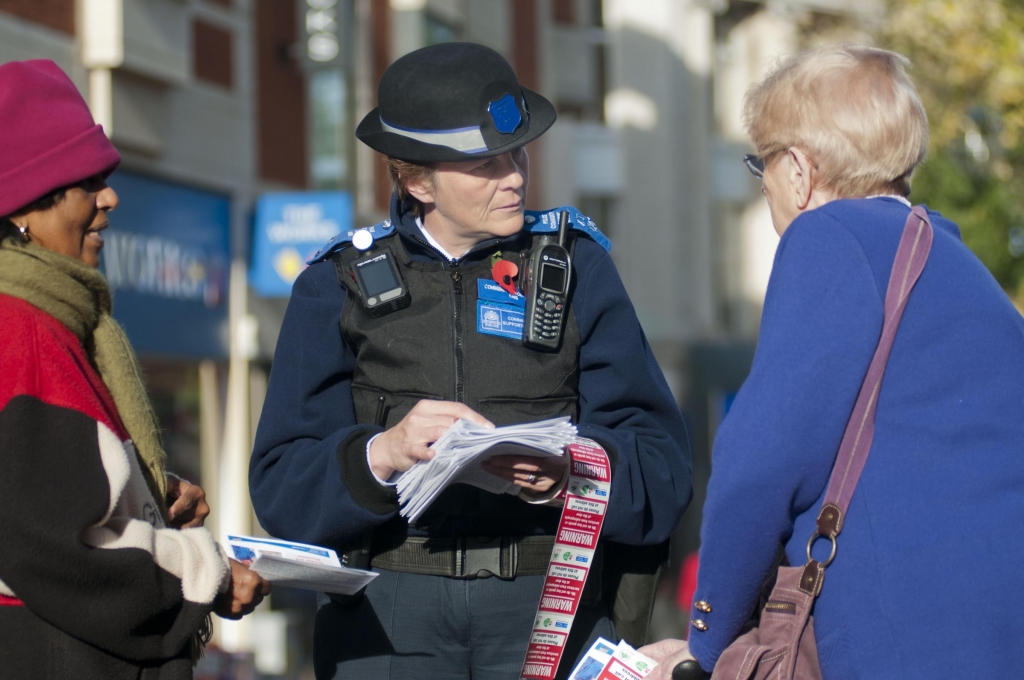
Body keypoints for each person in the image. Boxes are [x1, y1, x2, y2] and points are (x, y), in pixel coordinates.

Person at [249, 42, 692, 679]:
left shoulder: (579, 269)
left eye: (517, 152)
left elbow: (663, 468)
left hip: (548, 607)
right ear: (415, 180)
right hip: (389, 618)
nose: (514, 176)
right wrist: (385, 454)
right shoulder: (334, 283)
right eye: (484, 164)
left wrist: (568, 474)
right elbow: (281, 485)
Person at [639, 44, 1024, 679]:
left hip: (894, 633)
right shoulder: (957, 261)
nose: (763, 187)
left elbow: (762, 461)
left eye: (757, 166)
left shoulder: (828, 238)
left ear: (797, 169)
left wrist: (705, 640)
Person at [0, 59, 271, 680]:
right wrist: (201, 575)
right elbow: (58, 549)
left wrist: (149, 497)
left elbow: (49, 495)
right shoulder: (21, 331)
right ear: (24, 204)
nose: (110, 197)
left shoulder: (49, 320)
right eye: (85, 180)